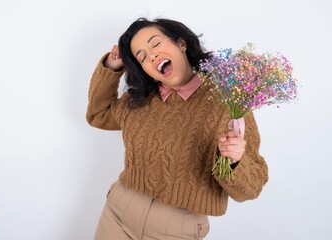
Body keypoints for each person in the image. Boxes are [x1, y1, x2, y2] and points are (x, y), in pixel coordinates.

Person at [86, 17, 268, 240]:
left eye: (155, 44)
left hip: (177, 227)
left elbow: (252, 188)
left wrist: (234, 162)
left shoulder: (228, 101)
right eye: (141, 57)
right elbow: (98, 115)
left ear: (181, 44)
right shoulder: (138, 101)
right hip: (118, 212)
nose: (151, 55)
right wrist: (111, 68)